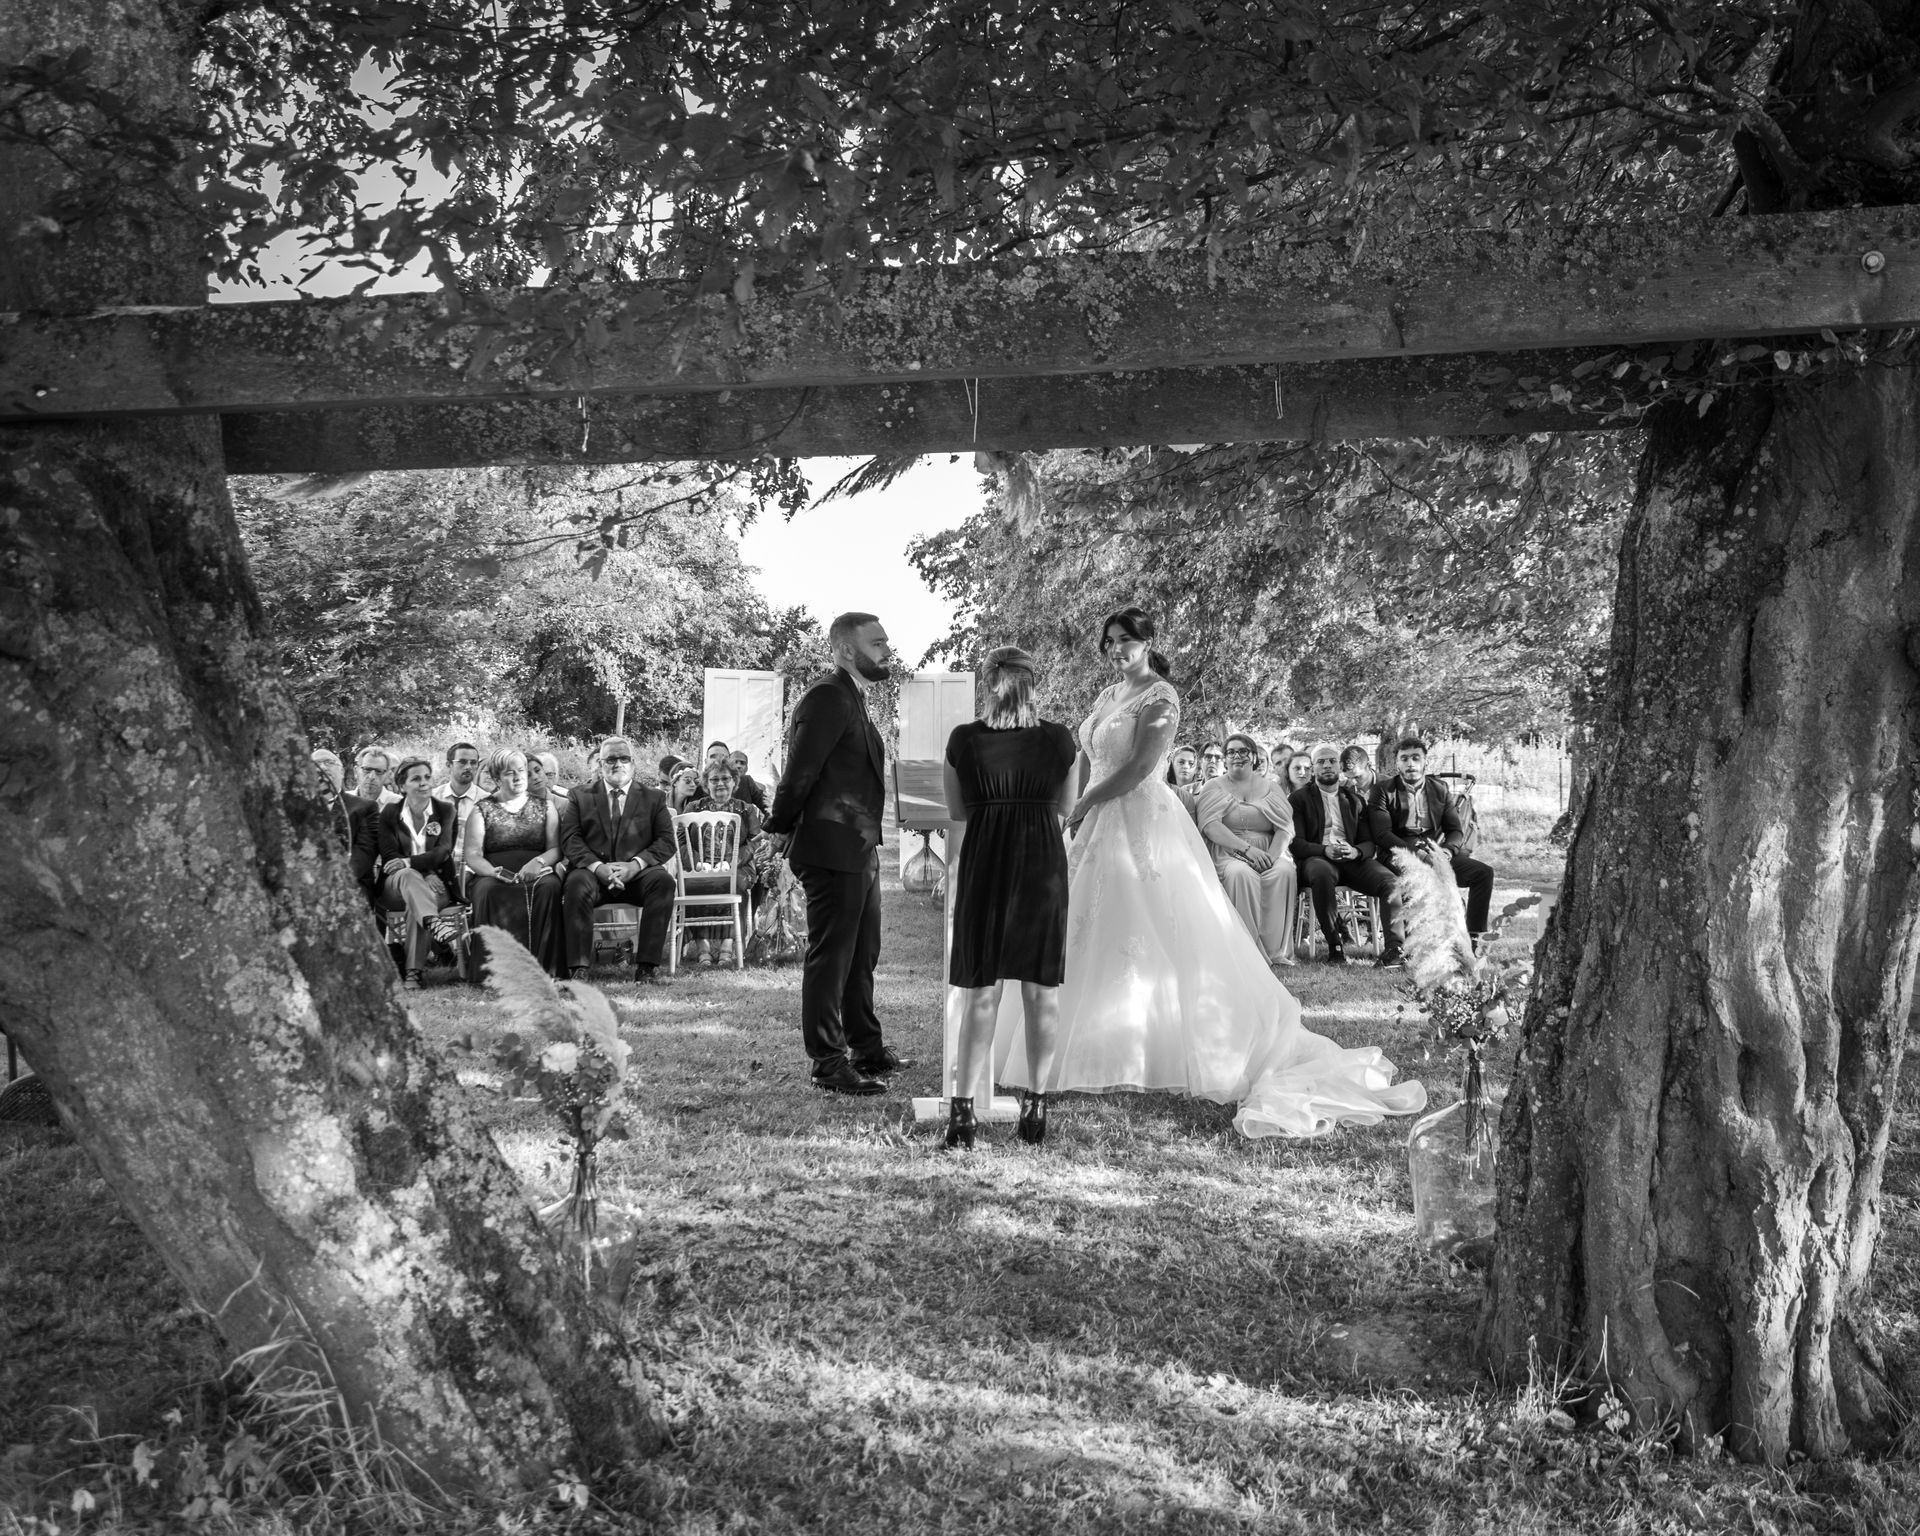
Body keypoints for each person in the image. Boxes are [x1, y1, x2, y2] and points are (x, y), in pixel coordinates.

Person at [989, 606, 1425, 1139]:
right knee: (1083, 928)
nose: (1115, 649)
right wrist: (1070, 804)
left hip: (1141, 818)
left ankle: (1173, 1046)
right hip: (1097, 820)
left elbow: (1139, 768)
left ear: (1147, 642)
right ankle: (1082, 1047)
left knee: (1160, 930)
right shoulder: (1106, 696)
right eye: (1108, 641)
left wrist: (1082, 804)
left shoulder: (1162, 697)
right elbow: (1089, 758)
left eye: (1125, 639)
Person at [765, 611, 911, 1096]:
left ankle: (865, 1048)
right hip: (830, 848)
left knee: (862, 953)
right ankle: (827, 1062)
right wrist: (779, 827)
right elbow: (800, 771)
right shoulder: (828, 696)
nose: (887, 650)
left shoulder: (856, 698)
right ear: (848, 649)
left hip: (859, 847)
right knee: (832, 956)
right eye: (879, 642)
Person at [942, 645, 1077, 1150]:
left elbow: (957, 810)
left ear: (988, 684)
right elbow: (1065, 807)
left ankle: (962, 1114)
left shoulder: (963, 739)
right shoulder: (1060, 739)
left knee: (981, 990)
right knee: (1041, 990)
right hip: (1041, 865)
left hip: (985, 865)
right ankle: (1036, 1108)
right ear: (1032, 684)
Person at [558, 735, 675, 984]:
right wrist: (598, 867)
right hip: (593, 875)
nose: (617, 763)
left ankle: (646, 968)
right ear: (601, 764)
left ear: (633, 764)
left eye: (624, 758)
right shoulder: (580, 796)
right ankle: (579, 969)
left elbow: (666, 841)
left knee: (663, 882)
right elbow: (571, 840)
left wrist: (635, 865)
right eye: (611, 759)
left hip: (637, 876)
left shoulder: (653, 797)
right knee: (576, 883)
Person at [1368, 737, 1497, 943]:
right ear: (1397, 763)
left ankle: (1474, 938)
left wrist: (1447, 851)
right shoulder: (1383, 790)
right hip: (1397, 851)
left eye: (1416, 758)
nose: (1410, 763)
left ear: (1425, 761)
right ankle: (1409, 943)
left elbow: (1455, 831)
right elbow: (1382, 835)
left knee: (1483, 873)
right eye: (1404, 758)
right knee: (1418, 875)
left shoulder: (1440, 788)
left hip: (1434, 849)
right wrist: (1417, 854)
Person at [1291, 742, 1403, 967]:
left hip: (1350, 860)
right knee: (1321, 871)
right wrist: (1324, 850)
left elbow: (1369, 842)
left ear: (1339, 767)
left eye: (1332, 761)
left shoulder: (1355, 800)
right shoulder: (1299, 799)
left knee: (1390, 881)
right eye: (1321, 762)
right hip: (1317, 860)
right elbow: (1296, 843)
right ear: (1313, 769)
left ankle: (1394, 949)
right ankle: (1335, 946)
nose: (1327, 766)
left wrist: (1355, 851)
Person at [1195, 732, 1298, 966]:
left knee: (1284, 872)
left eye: (1243, 751)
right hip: (1229, 851)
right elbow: (1211, 827)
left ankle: (1276, 952)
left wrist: (1271, 857)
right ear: (1225, 758)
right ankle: (1245, 948)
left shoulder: (1272, 788)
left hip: (1269, 851)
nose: (1237, 756)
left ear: (1254, 757)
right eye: (1231, 752)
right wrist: (1247, 850)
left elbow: (1285, 829)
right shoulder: (1213, 787)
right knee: (1240, 874)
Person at [464, 748, 565, 976]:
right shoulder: (482, 809)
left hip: (537, 871)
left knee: (550, 887)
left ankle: (546, 969)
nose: (519, 777)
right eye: (510, 773)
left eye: (521, 771)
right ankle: (495, 971)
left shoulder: (546, 807)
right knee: (487, 891)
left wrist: (538, 862)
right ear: (497, 777)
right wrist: (491, 872)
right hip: (494, 874)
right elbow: (473, 855)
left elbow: (555, 849)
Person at [680, 758, 779, 966]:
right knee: (693, 885)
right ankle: (703, 948)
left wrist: (731, 861)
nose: (720, 783)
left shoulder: (746, 809)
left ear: (735, 781)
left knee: (735, 884)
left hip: (738, 867)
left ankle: (727, 946)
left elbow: (755, 843)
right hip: (700, 868)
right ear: (706, 784)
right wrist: (698, 863)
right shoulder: (693, 807)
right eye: (714, 779)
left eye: (725, 778)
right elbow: (679, 840)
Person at [375, 756, 457, 990]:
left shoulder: (445, 810)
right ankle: (434, 923)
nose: (423, 783)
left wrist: (414, 864)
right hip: (395, 886)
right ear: (402, 786)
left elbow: (443, 851)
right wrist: (419, 869)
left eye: (427, 777)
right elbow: (390, 856)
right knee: (409, 877)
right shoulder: (390, 813)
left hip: (436, 884)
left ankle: (413, 974)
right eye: (416, 779)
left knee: (419, 902)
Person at [310, 748, 379, 911]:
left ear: (342, 772)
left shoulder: (365, 807)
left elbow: (364, 854)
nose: (324, 768)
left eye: (329, 762)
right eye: (316, 764)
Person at [432, 742, 486, 892]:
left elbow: (488, 846)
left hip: (473, 870)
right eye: (462, 762)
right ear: (448, 765)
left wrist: (470, 870)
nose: (468, 766)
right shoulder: (432, 798)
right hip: (436, 868)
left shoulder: (487, 802)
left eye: (473, 763)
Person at [727, 749, 770, 813]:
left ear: (747, 768)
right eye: (735, 762)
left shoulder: (747, 781)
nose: (738, 766)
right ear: (728, 765)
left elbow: (766, 806)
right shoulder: (716, 780)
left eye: (742, 763)